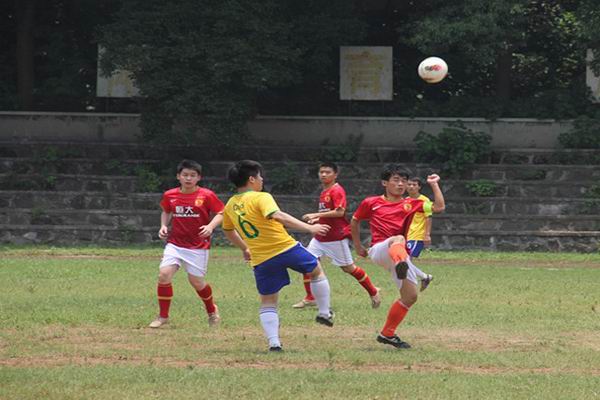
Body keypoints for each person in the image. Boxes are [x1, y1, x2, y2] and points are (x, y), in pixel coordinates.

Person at [221, 160, 334, 351]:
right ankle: (324, 312)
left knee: (268, 301)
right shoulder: (261, 197)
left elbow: (228, 230)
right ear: (251, 179)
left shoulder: (230, 204)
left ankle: (274, 343)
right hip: (285, 248)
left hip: (261, 258)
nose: (262, 180)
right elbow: (278, 216)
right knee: (316, 270)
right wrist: (310, 228)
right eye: (260, 176)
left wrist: (244, 248)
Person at [351, 164, 445, 349]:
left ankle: (387, 334)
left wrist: (434, 184)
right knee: (399, 239)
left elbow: (439, 207)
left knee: (410, 296)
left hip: (398, 252)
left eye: (404, 181)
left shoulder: (412, 203)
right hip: (379, 250)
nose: (401, 184)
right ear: (384, 183)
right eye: (396, 180)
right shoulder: (371, 202)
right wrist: (358, 246)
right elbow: (355, 221)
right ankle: (402, 262)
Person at [293, 162, 381, 309]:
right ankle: (310, 297)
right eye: (321, 172)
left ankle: (373, 291)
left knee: (348, 268)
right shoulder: (324, 191)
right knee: (308, 262)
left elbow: (340, 212)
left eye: (327, 172)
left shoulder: (337, 190)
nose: (323, 174)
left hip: (335, 238)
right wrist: (318, 220)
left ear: (335, 175)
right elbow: (328, 214)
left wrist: (316, 214)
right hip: (320, 237)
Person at [149, 159, 224, 328]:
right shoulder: (170, 195)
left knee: (196, 282)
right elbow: (166, 211)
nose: (188, 178)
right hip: (175, 244)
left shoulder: (206, 195)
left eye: (192, 175)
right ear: (178, 176)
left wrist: (210, 226)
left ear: (199, 178)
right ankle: (163, 317)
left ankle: (212, 310)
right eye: (185, 175)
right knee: (164, 275)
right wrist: (163, 225)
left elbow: (221, 212)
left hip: (198, 246)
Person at [406, 177, 434, 291]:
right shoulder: (405, 200)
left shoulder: (425, 200)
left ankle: (413, 286)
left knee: (405, 262)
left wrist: (427, 234)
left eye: (414, 185)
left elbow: (428, 217)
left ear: (419, 187)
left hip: (417, 235)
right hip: (405, 235)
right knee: (403, 262)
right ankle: (424, 277)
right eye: (409, 184)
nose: (411, 187)